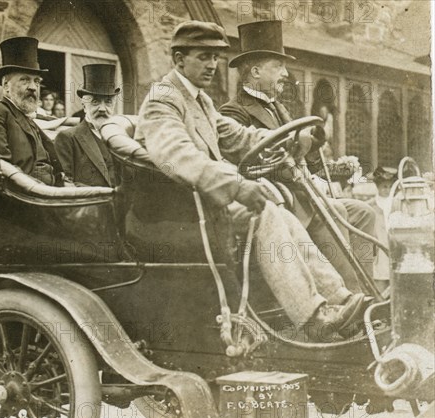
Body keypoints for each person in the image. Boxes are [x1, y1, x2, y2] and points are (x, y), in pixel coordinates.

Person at [135, 20, 367, 340]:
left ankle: (339, 300)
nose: (212, 65)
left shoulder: (199, 100)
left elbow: (240, 137)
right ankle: (312, 316)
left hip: (201, 206)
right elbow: (175, 156)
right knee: (266, 212)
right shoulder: (163, 98)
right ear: (178, 59)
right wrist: (237, 187)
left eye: (215, 57)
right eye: (203, 57)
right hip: (171, 214)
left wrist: (288, 139)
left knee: (279, 211)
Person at [219, 20, 376, 292]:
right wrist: (295, 145)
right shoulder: (233, 114)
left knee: (364, 213)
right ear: (255, 71)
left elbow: (310, 164)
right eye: (278, 66)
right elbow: (249, 167)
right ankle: (354, 301)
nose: (285, 73)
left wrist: (317, 147)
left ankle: (368, 287)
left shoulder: (279, 109)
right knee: (334, 210)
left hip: (305, 196)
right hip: (279, 201)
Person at [0, 37, 65, 187]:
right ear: (6, 86)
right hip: (25, 200)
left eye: (37, 81)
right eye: (25, 80)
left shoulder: (29, 120)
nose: (33, 87)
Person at [55, 64, 120, 187]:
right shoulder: (68, 138)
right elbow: (67, 186)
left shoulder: (121, 137)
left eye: (108, 102)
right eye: (95, 102)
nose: (102, 109)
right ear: (84, 106)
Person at [366, 166, 397, 286]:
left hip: (392, 243)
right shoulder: (370, 205)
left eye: (390, 187)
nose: (387, 190)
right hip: (378, 245)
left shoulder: (396, 203)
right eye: (384, 186)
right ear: (378, 187)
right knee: (379, 276)